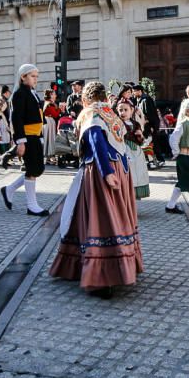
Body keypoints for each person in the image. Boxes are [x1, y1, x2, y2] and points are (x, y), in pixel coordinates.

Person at [50, 82, 143, 298]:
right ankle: (83, 265)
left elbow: (95, 140)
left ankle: (103, 277)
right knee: (113, 217)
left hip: (102, 169)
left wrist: (106, 172)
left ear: (85, 99)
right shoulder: (110, 112)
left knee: (100, 219)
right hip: (122, 168)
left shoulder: (91, 113)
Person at [1, 64, 49, 216]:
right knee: (33, 170)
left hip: (34, 135)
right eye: (33, 76)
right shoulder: (20, 93)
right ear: (23, 77)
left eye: (37, 76)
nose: (36, 79)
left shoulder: (31, 92)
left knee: (36, 168)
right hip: (27, 137)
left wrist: (40, 136)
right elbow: (17, 118)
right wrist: (20, 141)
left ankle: (9, 189)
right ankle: (31, 205)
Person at [116, 99, 149, 199]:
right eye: (120, 110)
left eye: (126, 110)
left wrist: (140, 137)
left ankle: (133, 200)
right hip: (123, 150)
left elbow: (141, 141)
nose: (123, 112)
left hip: (136, 151)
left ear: (132, 110)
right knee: (126, 173)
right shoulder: (117, 123)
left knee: (137, 174)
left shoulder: (136, 124)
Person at [43, 88, 62, 162]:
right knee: (50, 139)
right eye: (54, 94)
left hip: (49, 122)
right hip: (49, 122)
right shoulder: (49, 103)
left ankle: (48, 157)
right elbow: (55, 114)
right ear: (50, 95)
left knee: (48, 139)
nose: (55, 95)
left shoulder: (49, 103)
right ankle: (50, 155)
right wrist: (60, 109)